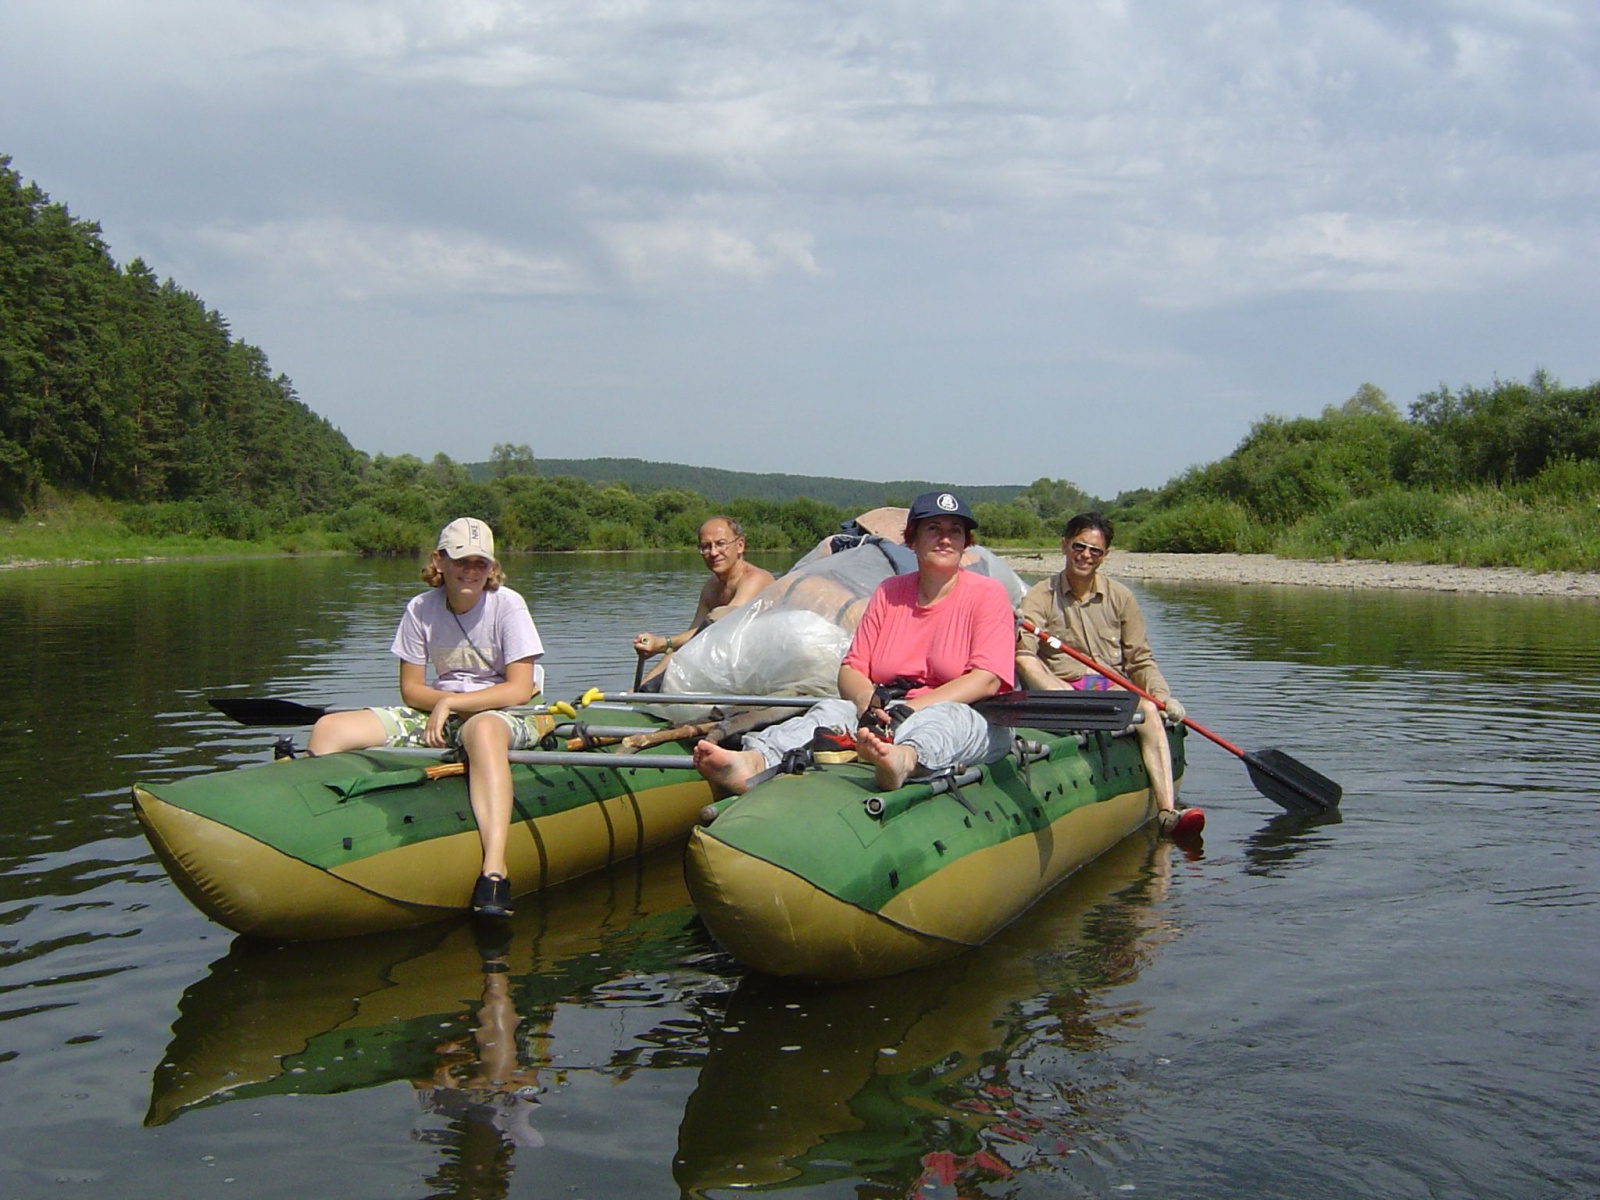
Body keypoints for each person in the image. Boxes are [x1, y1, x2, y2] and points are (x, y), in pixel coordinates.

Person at [693, 491, 1015, 795]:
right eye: (933, 529)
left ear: (965, 542)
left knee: (943, 719)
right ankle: (755, 759)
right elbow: (852, 667)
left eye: (955, 531)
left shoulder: (987, 594)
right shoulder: (889, 593)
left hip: (969, 715)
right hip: (890, 710)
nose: (945, 538)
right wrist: (866, 701)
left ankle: (901, 760)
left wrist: (911, 709)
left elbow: (986, 679)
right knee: (833, 708)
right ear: (912, 540)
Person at [307, 517, 546, 916]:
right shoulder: (420, 608)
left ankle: (494, 870)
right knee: (329, 727)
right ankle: (319, 834)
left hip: (506, 712)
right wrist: (442, 703)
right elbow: (411, 689)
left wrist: (451, 705)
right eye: (461, 560)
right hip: (438, 707)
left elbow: (520, 688)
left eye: (480, 562)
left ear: (492, 567)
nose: (471, 570)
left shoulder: (508, 605)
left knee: (483, 731)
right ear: (439, 562)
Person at [1014, 512, 1203, 836]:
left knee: (1147, 709)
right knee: (1025, 659)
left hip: (1106, 685)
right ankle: (1073, 710)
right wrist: (1061, 693)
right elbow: (1025, 653)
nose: (1086, 555)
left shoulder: (1121, 598)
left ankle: (1167, 812)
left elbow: (1140, 660)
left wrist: (1161, 695)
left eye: (1095, 551)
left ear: (1105, 555)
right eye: (1079, 546)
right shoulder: (1039, 597)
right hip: (1063, 686)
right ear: (1064, 546)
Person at [631, 516, 775, 686]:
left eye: (721, 544)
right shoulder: (711, 587)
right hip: (728, 667)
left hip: (762, 672)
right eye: (706, 547)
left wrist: (663, 643)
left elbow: (720, 628)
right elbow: (692, 640)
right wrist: (644, 684)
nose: (713, 553)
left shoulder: (755, 579)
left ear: (740, 545)